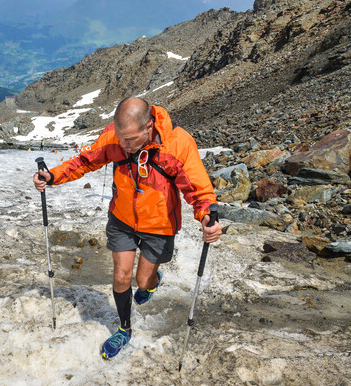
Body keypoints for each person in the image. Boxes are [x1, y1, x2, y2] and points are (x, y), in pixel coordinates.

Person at [33, 97, 222, 360]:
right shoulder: (115, 137)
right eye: (121, 138)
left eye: (131, 140)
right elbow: (86, 161)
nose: (124, 145)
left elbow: (198, 189)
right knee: (122, 276)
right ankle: (124, 328)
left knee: (143, 280)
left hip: (159, 225)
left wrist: (206, 217)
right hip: (122, 219)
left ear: (148, 126)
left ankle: (153, 282)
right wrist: (52, 176)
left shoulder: (177, 144)